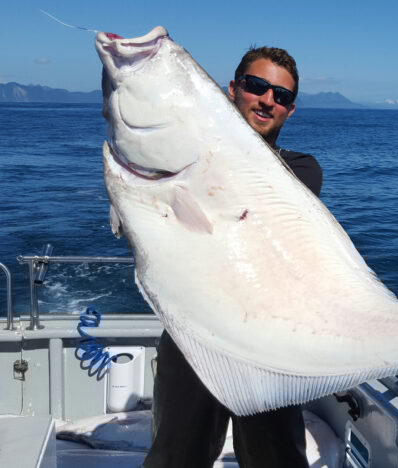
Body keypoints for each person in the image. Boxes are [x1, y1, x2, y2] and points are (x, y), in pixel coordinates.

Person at [143, 46, 322, 468]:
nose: (267, 100)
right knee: (175, 457)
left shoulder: (302, 171)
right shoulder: (184, 158)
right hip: (192, 338)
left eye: (280, 96)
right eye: (256, 86)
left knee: (276, 459)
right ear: (232, 89)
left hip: (269, 346)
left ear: (290, 111)